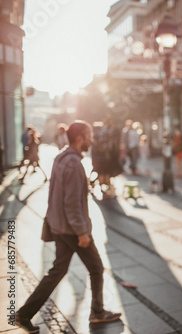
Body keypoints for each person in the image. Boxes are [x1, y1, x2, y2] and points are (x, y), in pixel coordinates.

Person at [15, 121, 121, 333]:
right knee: (96, 268)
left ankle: (24, 314)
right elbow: (71, 203)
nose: (92, 140)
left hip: (59, 225)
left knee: (57, 270)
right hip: (71, 229)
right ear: (80, 137)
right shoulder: (73, 163)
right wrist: (82, 232)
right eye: (89, 135)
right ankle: (98, 312)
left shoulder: (62, 157)